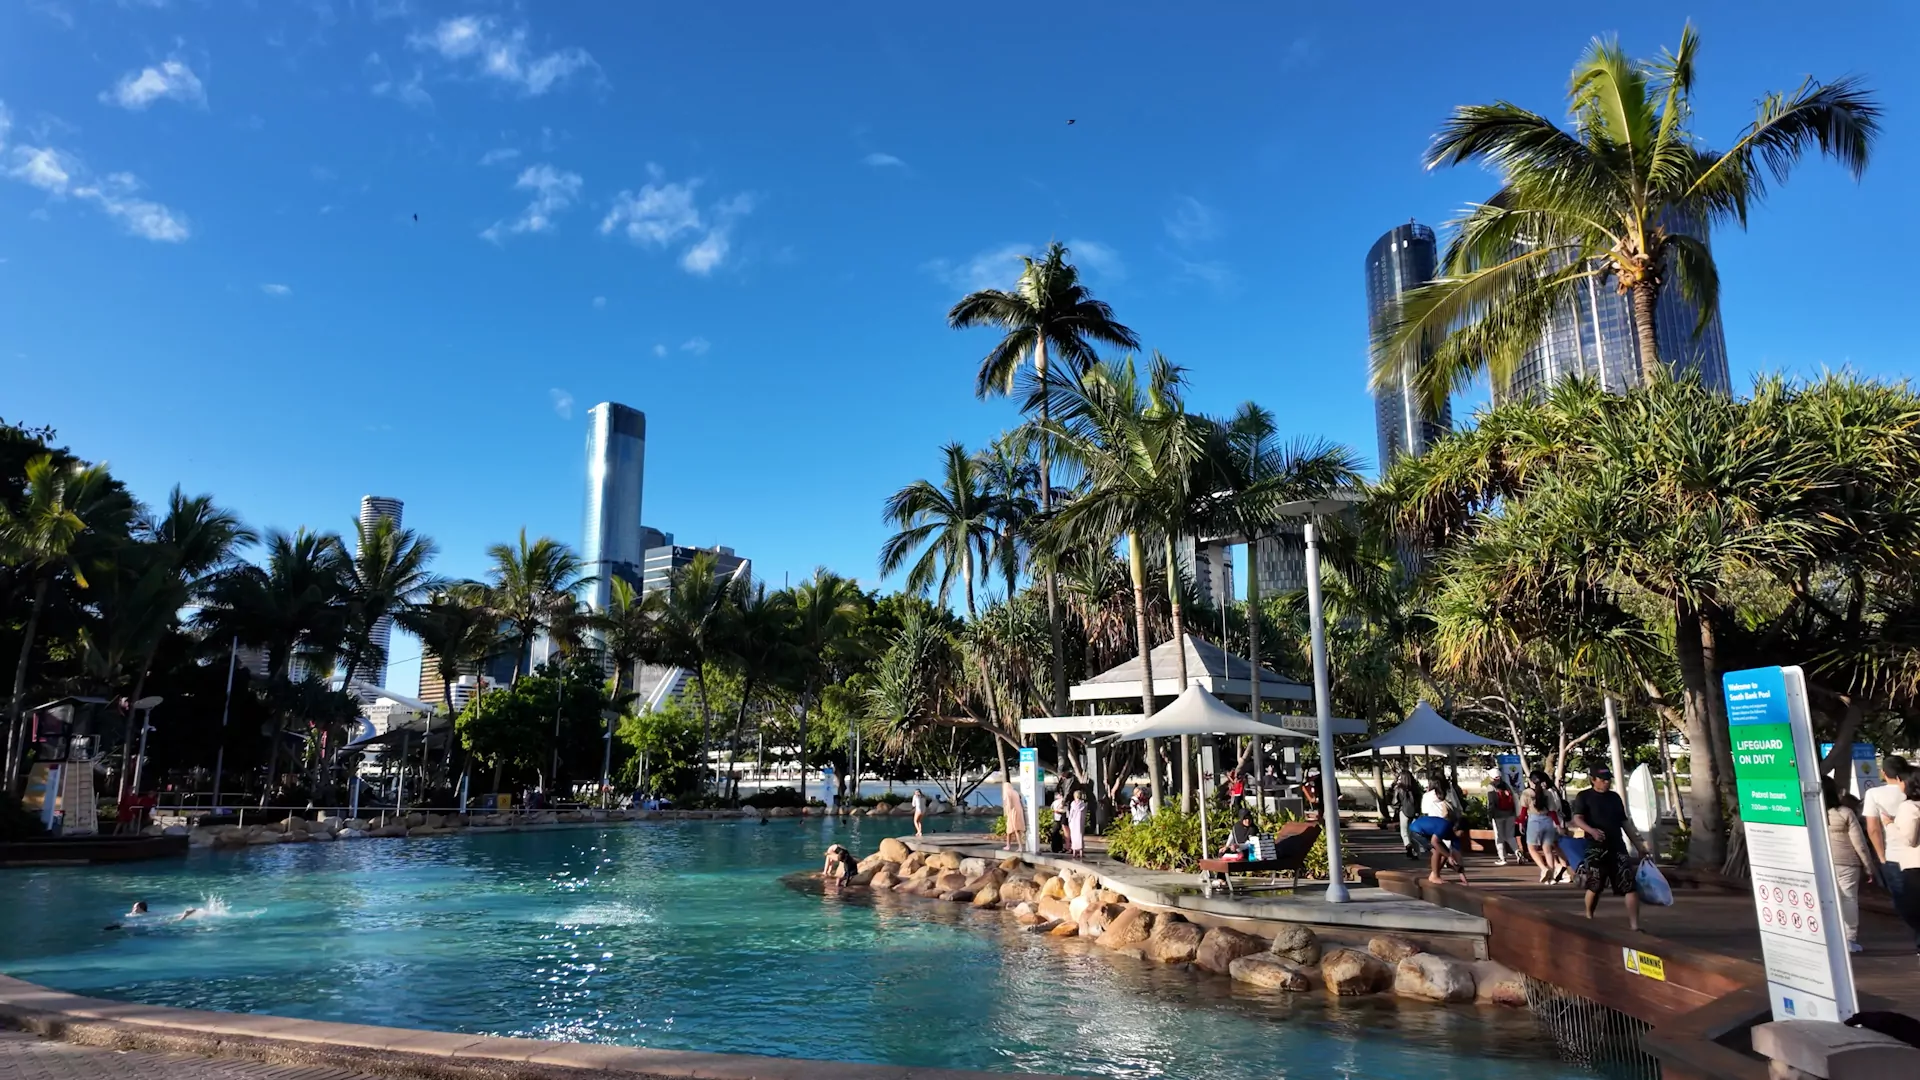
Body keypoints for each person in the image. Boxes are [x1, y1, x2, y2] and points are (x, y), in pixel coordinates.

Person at [1571, 767, 1652, 932]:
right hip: (1596, 847)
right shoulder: (1584, 797)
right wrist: (1592, 831)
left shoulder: (1614, 798)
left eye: (1608, 779)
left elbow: (1625, 823)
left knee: (1629, 884)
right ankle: (1588, 915)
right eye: (1603, 779)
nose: (1607, 782)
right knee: (1596, 885)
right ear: (1593, 779)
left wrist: (1639, 845)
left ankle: (1635, 926)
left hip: (1617, 846)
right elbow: (1577, 819)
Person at [1823, 777, 1876, 953]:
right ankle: (1849, 940)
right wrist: (1868, 866)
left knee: (1825, 900)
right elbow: (1859, 842)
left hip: (1821, 862)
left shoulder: (1809, 813)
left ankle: (1826, 938)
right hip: (1847, 863)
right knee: (1849, 899)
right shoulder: (1845, 812)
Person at [1863, 756, 1912, 919]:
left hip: (1894, 856)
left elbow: (1873, 829)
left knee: (1904, 903)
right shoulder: (1914, 790)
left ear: (1883, 773)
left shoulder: (1874, 794)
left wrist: (1881, 857)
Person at [1409, 780, 1468, 885]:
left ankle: (1434, 874)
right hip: (1416, 830)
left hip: (1426, 831)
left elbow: (1457, 856)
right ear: (1455, 829)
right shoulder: (1445, 826)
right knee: (1437, 851)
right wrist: (1449, 856)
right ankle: (1435, 876)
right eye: (1461, 833)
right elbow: (1434, 842)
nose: (1462, 835)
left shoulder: (1455, 837)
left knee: (1444, 853)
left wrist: (1463, 878)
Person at [1888, 773, 1920, 955]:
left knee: (1909, 908)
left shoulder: (1909, 807)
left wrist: (1889, 825)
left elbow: (1908, 839)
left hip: (1915, 865)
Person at [1520, 771, 1568, 884]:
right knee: (1548, 850)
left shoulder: (1526, 793)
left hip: (1534, 820)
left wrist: (1521, 823)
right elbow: (1552, 812)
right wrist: (1557, 825)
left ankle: (1544, 868)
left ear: (1531, 780)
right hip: (1547, 821)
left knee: (1532, 848)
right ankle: (1551, 877)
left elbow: (1523, 811)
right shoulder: (1548, 793)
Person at [1391, 769, 1422, 858]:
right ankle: (1416, 852)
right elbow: (1420, 800)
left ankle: (1408, 845)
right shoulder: (1416, 788)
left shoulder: (1399, 788)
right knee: (1413, 832)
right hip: (1415, 812)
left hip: (1403, 811)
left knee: (1404, 831)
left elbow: (1395, 802)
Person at [1488, 778, 1518, 866]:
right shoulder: (1507, 785)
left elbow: (1491, 804)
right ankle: (1518, 852)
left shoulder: (1491, 787)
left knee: (1499, 837)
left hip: (1498, 816)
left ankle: (1502, 858)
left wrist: (1490, 816)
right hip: (1510, 814)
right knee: (1510, 836)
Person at [1001, 780, 1025, 850]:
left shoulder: (1007, 793)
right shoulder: (1015, 792)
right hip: (1018, 811)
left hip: (1012, 811)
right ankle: (1013, 845)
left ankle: (1014, 846)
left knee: (1013, 829)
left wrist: (1007, 811)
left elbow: (1009, 804)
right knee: (1014, 829)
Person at [1067, 789, 1087, 859]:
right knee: (1080, 835)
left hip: (1073, 822)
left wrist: (1069, 820)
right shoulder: (1083, 804)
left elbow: (1071, 813)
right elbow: (1084, 814)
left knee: (1074, 836)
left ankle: (1074, 852)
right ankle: (1081, 852)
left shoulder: (1073, 804)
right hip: (1080, 822)